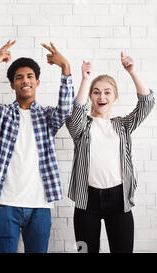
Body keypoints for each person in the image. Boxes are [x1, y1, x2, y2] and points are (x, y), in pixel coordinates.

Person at [0, 40, 74, 253]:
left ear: (37, 82)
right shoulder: (3, 115)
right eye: (19, 77)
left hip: (40, 204)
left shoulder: (48, 117)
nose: (25, 81)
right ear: (12, 85)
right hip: (5, 202)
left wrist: (66, 68)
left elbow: (66, 109)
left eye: (30, 76)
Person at [66, 53, 155, 253]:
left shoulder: (123, 125)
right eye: (96, 92)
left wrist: (132, 72)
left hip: (119, 200)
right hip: (86, 200)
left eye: (107, 92)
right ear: (91, 97)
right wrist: (86, 79)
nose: (102, 97)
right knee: (85, 251)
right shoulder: (82, 128)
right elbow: (75, 115)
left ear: (115, 97)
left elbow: (147, 102)